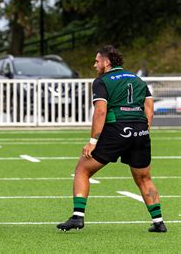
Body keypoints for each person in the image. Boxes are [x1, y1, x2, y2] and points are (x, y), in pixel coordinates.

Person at [57, 45, 166, 233]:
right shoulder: (137, 78)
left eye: (97, 61)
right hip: (140, 130)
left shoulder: (102, 81)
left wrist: (93, 141)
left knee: (82, 169)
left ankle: (77, 217)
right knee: (144, 178)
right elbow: (149, 105)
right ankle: (159, 222)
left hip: (116, 130)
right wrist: (143, 127)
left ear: (107, 62)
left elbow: (100, 111)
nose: (94, 65)